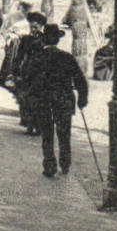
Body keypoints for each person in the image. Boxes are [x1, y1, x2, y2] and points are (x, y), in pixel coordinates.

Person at [26, 24, 88, 177]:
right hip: (64, 99)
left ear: (44, 38)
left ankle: (49, 165)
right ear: (58, 40)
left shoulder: (37, 57)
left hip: (44, 100)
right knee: (64, 133)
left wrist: (30, 100)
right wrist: (82, 98)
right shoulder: (67, 57)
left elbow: (28, 79)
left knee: (47, 134)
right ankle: (65, 164)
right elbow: (80, 79)